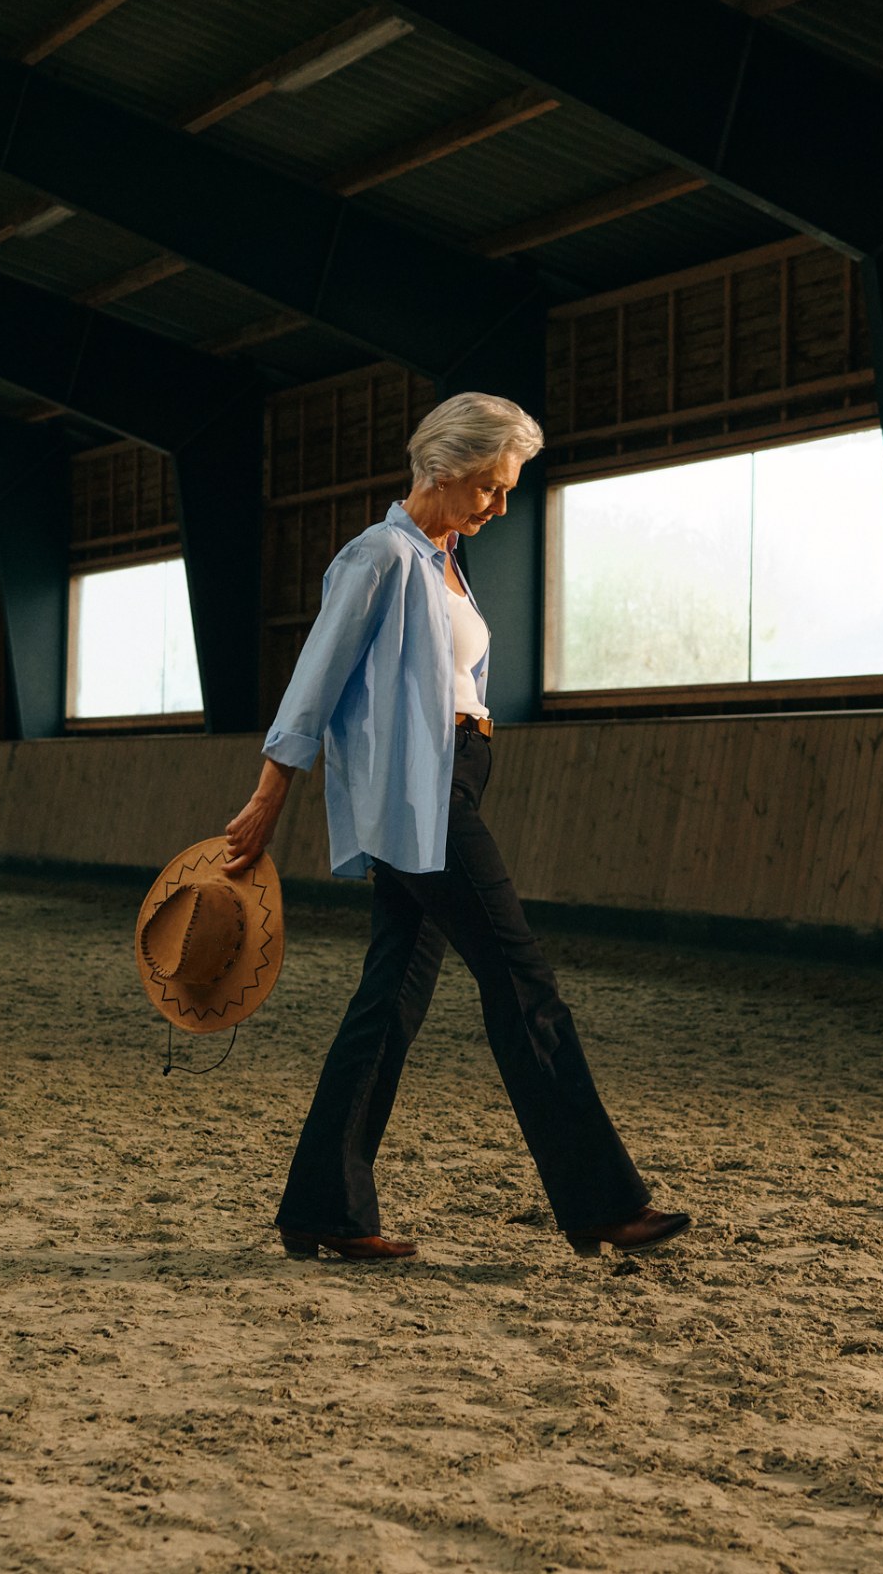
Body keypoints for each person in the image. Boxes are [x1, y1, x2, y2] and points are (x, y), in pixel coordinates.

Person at [223, 392, 688, 1265]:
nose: (499, 507)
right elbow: (312, 680)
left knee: (390, 998)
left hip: (451, 783)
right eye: (490, 487)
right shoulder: (379, 557)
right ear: (441, 467)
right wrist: (268, 796)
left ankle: (324, 1205)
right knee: (521, 982)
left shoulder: (443, 561)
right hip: (421, 795)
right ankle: (602, 1202)